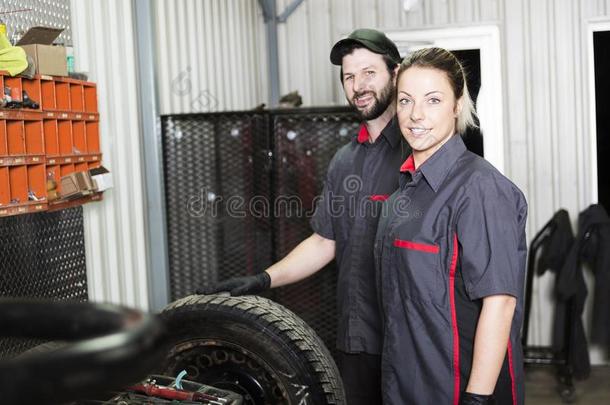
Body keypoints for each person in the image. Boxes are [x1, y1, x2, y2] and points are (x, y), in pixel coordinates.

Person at [202, 29, 410, 404]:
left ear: (395, 74)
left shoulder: (420, 150)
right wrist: (263, 279)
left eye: (368, 72)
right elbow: (324, 241)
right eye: (349, 76)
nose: (358, 85)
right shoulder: (345, 160)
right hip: (356, 337)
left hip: (411, 341)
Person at [374, 47, 527, 405]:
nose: (416, 115)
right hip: (407, 383)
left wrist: (476, 399)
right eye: (406, 100)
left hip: (458, 390)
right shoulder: (404, 192)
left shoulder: (480, 189)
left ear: (457, 105)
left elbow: (500, 302)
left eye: (433, 100)